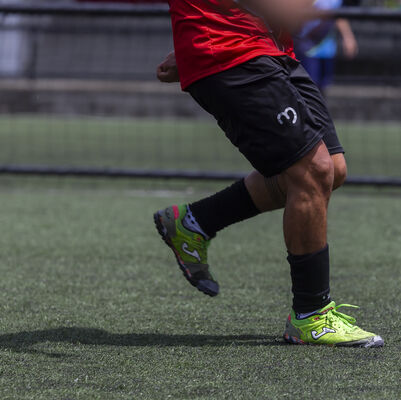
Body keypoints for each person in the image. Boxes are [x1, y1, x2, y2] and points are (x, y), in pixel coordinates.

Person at [153, 0, 383, 348]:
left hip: (267, 44)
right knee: (312, 170)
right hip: (231, 51)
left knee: (332, 169)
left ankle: (195, 222)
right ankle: (312, 316)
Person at [294, 0, 358, 92]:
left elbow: (339, 16)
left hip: (327, 49)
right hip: (307, 49)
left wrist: (348, 38)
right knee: (309, 87)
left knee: (323, 87)